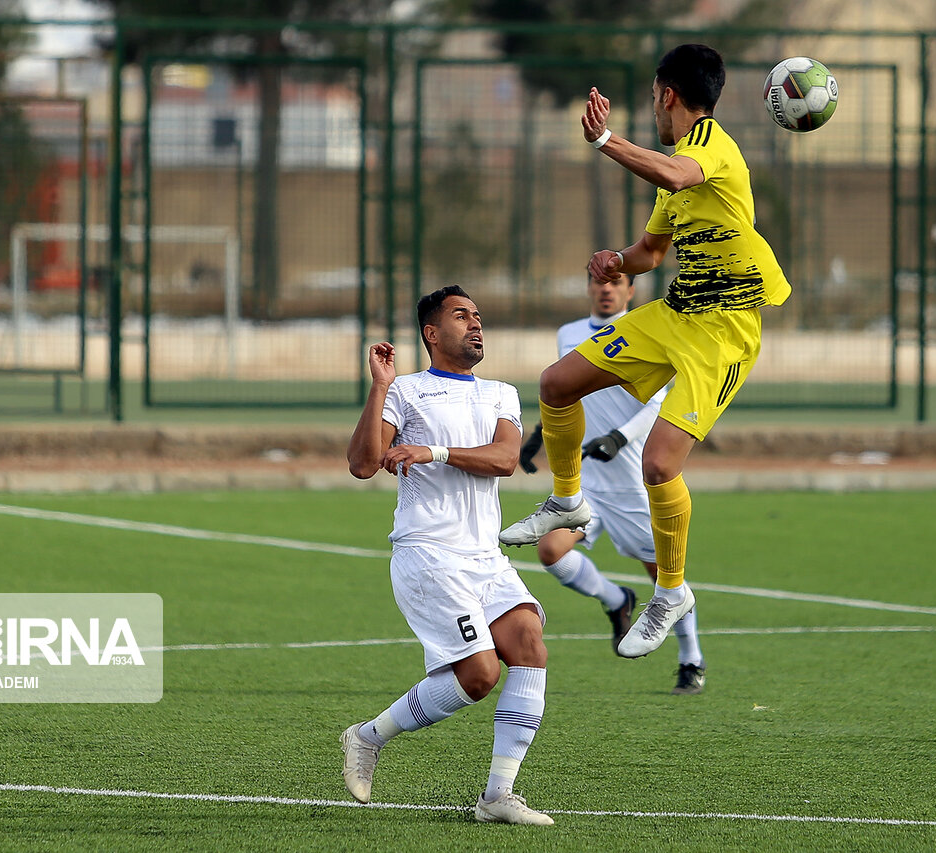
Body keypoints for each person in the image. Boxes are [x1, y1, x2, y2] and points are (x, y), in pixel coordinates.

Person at [501, 44, 792, 660]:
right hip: (674, 313)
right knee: (557, 383)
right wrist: (617, 261)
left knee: (659, 465)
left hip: (725, 332)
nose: (652, 109)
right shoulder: (673, 162)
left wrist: (606, 139)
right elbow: (650, 254)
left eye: (653, 98)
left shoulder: (710, 144)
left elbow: (676, 174)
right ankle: (567, 500)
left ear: (666, 94)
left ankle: (670, 592)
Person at [341, 285, 554, 826]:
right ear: (432, 333)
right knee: (480, 675)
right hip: (429, 554)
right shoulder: (405, 391)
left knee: (529, 642)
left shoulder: (502, 394)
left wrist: (431, 451)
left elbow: (506, 459)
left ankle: (497, 798)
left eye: (478, 316)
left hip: (485, 556)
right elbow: (363, 464)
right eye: (462, 315)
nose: (475, 323)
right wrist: (380, 388)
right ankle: (368, 737)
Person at [518, 270, 706, 694]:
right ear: (588, 287)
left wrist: (619, 438)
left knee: (665, 576)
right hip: (585, 481)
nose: (607, 289)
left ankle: (691, 658)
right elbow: (566, 393)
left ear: (630, 290)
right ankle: (616, 600)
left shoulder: (647, 331)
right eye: (599, 282)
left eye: (616, 282)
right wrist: (536, 439)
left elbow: (658, 405)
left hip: (629, 483)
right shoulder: (568, 333)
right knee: (550, 551)